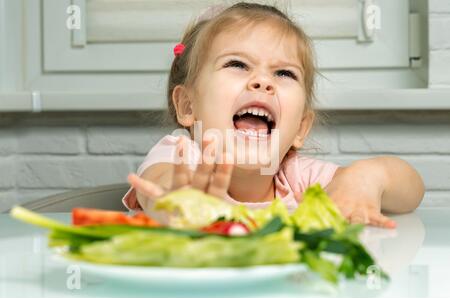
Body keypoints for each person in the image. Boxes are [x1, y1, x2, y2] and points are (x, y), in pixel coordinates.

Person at [123, 2, 424, 229]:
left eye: (283, 73)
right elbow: (157, 185)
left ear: (300, 129)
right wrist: (176, 200)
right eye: (238, 64)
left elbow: (411, 193)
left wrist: (369, 176)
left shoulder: (294, 177)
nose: (263, 82)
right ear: (188, 106)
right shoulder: (180, 156)